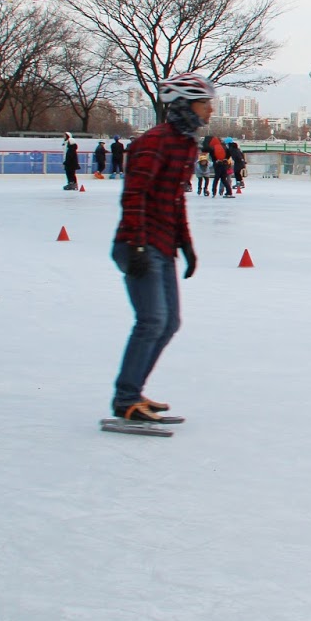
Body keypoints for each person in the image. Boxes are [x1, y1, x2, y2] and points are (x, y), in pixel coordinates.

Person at [108, 71, 212, 423]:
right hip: (139, 243)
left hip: (162, 245)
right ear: (184, 105)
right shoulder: (154, 142)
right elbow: (134, 195)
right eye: (204, 103)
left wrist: (186, 245)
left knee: (168, 323)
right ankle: (125, 398)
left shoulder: (186, 144)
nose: (210, 109)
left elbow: (175, 200)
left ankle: (132, 392)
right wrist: (137, 245)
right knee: (152, 320)